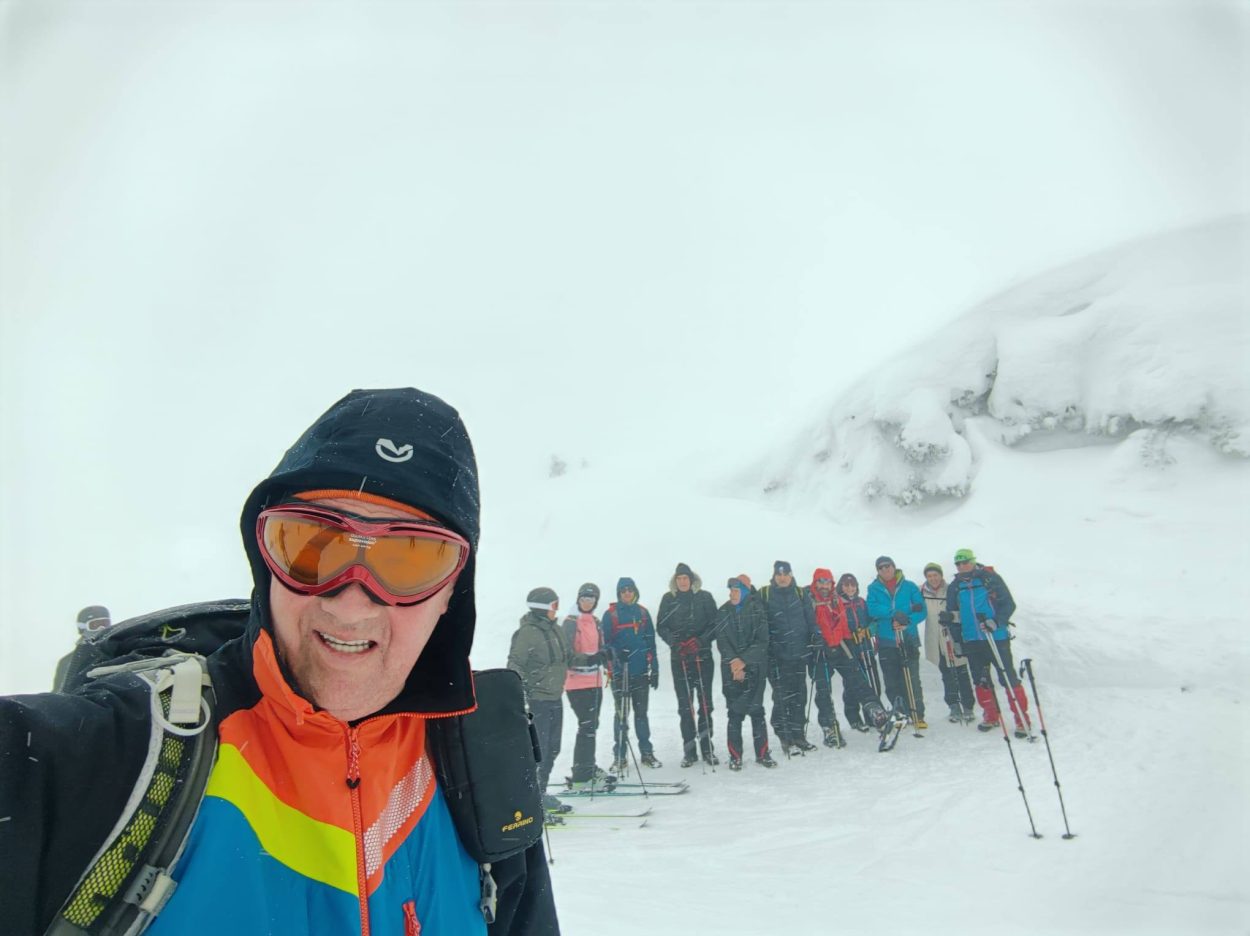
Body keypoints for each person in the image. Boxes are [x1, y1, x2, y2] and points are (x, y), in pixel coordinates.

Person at [0, 388, 558, 935]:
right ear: (264, 560)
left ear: (452, 593)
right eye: (311, 545)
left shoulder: (481, 764)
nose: (351, 602)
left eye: (411, 560)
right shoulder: (108, 759)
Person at [509, 587, 600, 816]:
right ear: (542, 608)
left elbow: (569, 657)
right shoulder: (527, 633)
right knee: (539, 750)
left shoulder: (555, 630)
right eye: (554, 605)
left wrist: (594, 659)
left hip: (554, 697)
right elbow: (515, 664)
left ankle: (541, 791)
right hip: (536, 700)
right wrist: (519, 693)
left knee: (553, 749)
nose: (556, 610)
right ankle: (532, 798)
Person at [946, 548, 1030, 737]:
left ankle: (1021, 718)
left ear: (973, 561)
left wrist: (996, 622)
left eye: (965, 562)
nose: (961, 566)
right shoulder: (955, 586)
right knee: (980, 679)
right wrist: (957, 639)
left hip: (996, 636)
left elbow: (1008, 604)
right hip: (972, 639)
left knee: (1007, 677)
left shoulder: (990, 579)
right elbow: (954, 615)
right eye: (958, 564)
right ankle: (991, 715)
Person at [808, 568, 886, 747]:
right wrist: (813, 639)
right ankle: (829, 727)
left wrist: (850, 644)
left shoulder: (836, 600)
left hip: (841, 646)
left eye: (827, 582)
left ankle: (877, 713)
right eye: (821, 581)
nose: (824, 585)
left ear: (832, 584)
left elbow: (842, 623)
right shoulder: (809, 600)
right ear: (815, 583)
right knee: (823, 691)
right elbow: (806, 623)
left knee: (858, 680)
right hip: (821, 651)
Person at [656, 562, 720, 767]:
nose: (682, 582)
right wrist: (674, 642)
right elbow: (661, 626)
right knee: (685, 706)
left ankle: (707, 748)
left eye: (685, 578)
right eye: (679, 579)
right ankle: (689, 750)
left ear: (691, 579)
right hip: (680, 659)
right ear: (675, 581)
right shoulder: (668, 599)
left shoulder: (705, 597)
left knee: (705, 704)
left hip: (702, 657)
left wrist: (700, 641)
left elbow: (715, 624)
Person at [601, 577, 662, 773]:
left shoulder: (642, 613)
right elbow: (604, 644)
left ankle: (646, 753)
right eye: (623, 590)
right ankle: (619, 756)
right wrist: (615, 655)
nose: (627, 593)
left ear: (635, 591)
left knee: (641, 714)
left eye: (630, 589)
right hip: (620, 673)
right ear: (619, 593)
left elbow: (650, 641)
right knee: (621, 715)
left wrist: (655, 668)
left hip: (640, 671)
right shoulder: (611, 615)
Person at [715, 577, 776, 770]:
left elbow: (762, 641)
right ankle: (735, 756)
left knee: (757, 711)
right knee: (734, 713)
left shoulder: (758, 610)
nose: (732, 593)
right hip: (731, 669)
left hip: (755, 668)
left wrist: (744, 661)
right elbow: (722, 640)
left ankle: (763, 753)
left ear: (745, 591)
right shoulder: (723, 611)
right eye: (731, 590)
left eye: (736, 590)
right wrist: (734, 662)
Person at [758, 560, 818, 756]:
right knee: (782, 697)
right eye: (779, 574)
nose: (782, 578)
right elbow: (759, 623)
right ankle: (785, 737)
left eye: (785, 574)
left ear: (791, 575)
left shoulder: (800, 594)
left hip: (799, 654)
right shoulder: (765, 594)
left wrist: (816, 636)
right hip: (777, 657)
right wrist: (768, 646)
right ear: (774, 576)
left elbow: (810, 619)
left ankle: (798, 734)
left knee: (800, 696)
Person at [866, 556, 928, 729]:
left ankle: (917, 713)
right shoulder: (873, 588)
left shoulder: (909, 586)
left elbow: (921, 610)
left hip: (908, 638)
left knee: (911, 679)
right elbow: (872, 609)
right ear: (878, 571)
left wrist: (907, 621)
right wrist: (894, 613)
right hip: (886, 640)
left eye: (888, 566)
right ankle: (900, 713)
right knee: (892, 681)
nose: (885, 569)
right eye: (881, 567)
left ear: (894, 567)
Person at [560, 583, 607, 788]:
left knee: (592, 725)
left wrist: (606, 655)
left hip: (594, 680)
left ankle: (588, 766)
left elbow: (599, 648)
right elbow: (567, 654)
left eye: (591, 599)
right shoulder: (570, 622)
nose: (587, 603)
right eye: (584, 599)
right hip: (576, 682)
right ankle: (582, 774)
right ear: (578, 600)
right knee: (587, 725)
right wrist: (589, 659)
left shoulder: (596, 621)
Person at [920, 562, 975, 723]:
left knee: (962, 672)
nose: (933, 579)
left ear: (941, 575)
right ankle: (953, 705)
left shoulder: (951, 589)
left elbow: (964, 611)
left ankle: (968, 705)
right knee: (946, 674)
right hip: (935, 639)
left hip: (953, 636)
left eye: (935, 575)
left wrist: (952, 617)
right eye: (929, 576)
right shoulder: (922, 592)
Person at [837, 572, 881, 731]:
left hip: (865, 646)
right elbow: (838, 626)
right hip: (849, 649)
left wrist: (867, 631)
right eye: (846, 585)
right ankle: (853, 717)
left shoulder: (861, 602)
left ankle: (873, 715)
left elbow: (873, 621)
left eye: (853, 585)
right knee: (852, 683)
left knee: (873, 680)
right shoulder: (838, 604)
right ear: (841, 587)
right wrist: (851, 634)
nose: (850, 588)